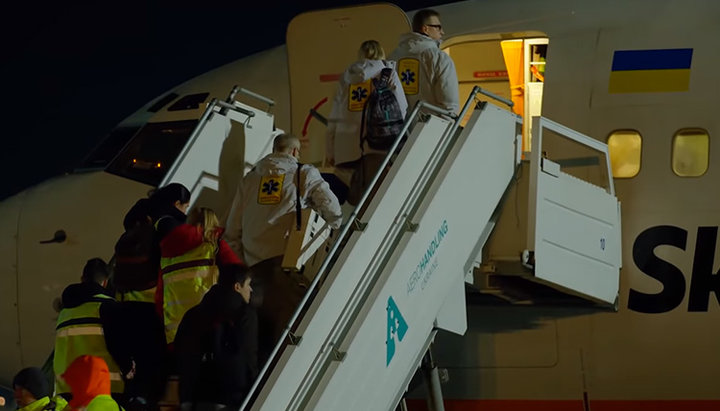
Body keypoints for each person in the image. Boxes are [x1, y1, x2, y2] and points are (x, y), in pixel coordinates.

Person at [224, 133, 342, 364]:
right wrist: (329, 234)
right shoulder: (302, 173)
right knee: (291, 337)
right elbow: (333, 208)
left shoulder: (249, 181)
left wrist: (247, 263)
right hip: (290, 266)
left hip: (256, 272)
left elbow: (231, 233)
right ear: (295, 152)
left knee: (263, 337)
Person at [326, 40, 408, 205]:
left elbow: (334, 116)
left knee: (355, 199)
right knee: (378, 199)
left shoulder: (346, 77)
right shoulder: (387, 73)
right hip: (377, 145)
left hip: (346, 149)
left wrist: (330, 151)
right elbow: (401, 107)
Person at [174, 264, 257, 410]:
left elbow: (179, 351)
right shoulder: (244, 313)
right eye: (248, 284)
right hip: (229, 395)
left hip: (191, 396)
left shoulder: (193, 313)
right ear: (237, 286)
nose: (251, 290)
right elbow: (248, 354)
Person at [158, 207, 242, 345]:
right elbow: (239, 275)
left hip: (176, 333)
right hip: (209, 326)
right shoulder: (214, 246)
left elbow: (160, 297)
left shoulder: (167, 255)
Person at [53, 258, 127, 401]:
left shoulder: (65, 312)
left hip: (67, 393)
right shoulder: (108, 308)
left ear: (82, 279)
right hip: (105, 392)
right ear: (105, 282)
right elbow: (119, 349)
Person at [389, 9, 459, 114]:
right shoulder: (439, 58)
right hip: (428, 126)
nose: (442, 32)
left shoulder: (392, 58)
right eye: (438, 27)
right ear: (425, 29)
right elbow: (449, 105)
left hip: (400, 128)